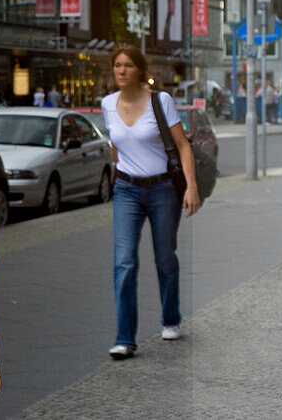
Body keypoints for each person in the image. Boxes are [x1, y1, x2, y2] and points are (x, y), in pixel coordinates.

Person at [100, 44, 200, 360]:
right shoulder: (107, 104)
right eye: (117, 65)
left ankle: (171, 319)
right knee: (124, 262)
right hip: (127, 190)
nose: (121, 71)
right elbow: (116, 147)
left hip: (162, 190)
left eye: (128, 65)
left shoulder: (161, 101)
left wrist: (191, 187)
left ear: (140, 70)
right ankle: (125, 338)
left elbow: (183, 146)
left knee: (165, 257)